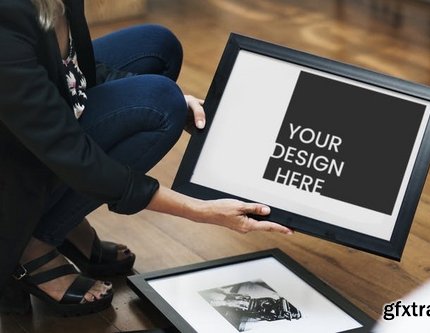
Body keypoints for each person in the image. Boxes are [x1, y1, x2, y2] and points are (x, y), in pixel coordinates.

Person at [0, 0, 293, 316]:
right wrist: (201, 210)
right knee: (159, 104)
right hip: (10, 169)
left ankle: (62, 218)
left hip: (32, 120)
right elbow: (70, 152)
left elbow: (72, 71)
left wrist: (175, 97)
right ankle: (29, 244)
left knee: (156, 46)